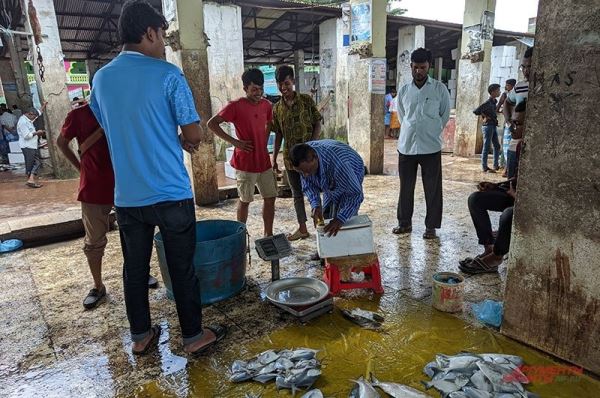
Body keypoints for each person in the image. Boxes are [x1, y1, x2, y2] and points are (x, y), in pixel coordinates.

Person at [90, 0, 226, 355]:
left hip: (128, 198)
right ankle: (194, 337)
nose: (164, 43)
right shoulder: (167, 74)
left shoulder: (100, 79)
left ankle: (140, 337)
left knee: (134, 269)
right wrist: (180, 140)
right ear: (149, 32)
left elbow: (110, 126)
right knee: (181, 268)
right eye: (163, 35)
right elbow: (195, 135)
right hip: (170, 193)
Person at [57, 100, 159, 310]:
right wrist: (81, 169)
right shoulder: (79, 115)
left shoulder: (125, 108)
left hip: (128, 185)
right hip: (94, 188)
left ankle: (140, 273)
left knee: (136, 236)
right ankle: (97, 286)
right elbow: (61, 143)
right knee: (94, 241)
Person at [459, 100, 527, 274]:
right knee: (476, 199)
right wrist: (496, 186)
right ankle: (488, 248)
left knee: (508, 215)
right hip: (515, 194)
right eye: (513, 122)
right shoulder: (520, 146)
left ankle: (496, 257)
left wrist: (516, 196)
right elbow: (517, 178)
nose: (513, 128)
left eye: (518, 124)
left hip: (527, 202)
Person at [208, 68, 276, 237]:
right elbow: (212, 123)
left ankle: (268, 233)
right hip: (245, 163)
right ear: (245, 88)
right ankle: (240, 235)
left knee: (270, 198)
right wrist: (236, 142)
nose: (258, 93)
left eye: (260, 89)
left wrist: (264, 142)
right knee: (245, 200)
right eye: (254, 89)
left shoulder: (267, 105)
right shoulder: (235, 106)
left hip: (264, 162)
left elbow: (269, 124)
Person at [392, 48, 450, 239]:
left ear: (429, 67)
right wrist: (412, 129)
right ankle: (404, 223)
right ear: (411, 66)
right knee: (405, 188)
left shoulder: (439, 89)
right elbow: (402, 116)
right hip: (407, 147)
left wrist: (431, 130)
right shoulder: (404, 90)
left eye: (423, 67)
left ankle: (431, 227)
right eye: (415, 67)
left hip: (431, 147)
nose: (419, 71)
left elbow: (444, 115)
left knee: (432, 189)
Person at [271, 65, 322, 241]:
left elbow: (318, 123)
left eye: (286, 83)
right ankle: (302, 228)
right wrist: (274, 157)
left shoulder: (306, 101)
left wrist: (313, 145)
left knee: (315, 191)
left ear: (293, 81)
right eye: (280, 84)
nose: (283, 88)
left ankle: (321, 227)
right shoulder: (276, 108)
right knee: (297, 194)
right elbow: (278, 134)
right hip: (290, 160)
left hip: (309, 158)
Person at [289, 139, 365, 237]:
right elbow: (309, 185)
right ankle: (328, 248)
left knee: (344, 220)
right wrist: (315, 205)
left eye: (308, 171)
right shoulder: (304, 159)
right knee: (326, 213)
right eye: (301, 172)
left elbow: (355, 195)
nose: (305, 175)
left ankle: (348, 246)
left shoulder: (339, 163)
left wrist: (340, 219)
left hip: (352, 171)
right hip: (331, 173)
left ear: (315, 158)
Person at [503, 47, 533, 179]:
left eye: (530, 67)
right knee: (512, 176)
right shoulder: (520, 86)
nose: (526, 71)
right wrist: (509, 121)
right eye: (523, 67)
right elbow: (507, 102)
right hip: (517, 139)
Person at [473, 83, 501, 173]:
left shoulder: (494, 102)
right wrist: (484, 116)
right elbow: (476, 111)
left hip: (493, 125)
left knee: (497, 146)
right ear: (492, 92)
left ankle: (495, 165)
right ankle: (484, 166)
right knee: (486, 146)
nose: (499, 92)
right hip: (488, 126)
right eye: (497, 90)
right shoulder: (487, 103)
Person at [17, 105, 47, 188]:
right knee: (35, 162)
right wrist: (37, 133)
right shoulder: (23, 122)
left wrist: (44, 106)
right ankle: (30, 179)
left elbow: (38, 113)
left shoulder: (29, 119)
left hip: (32, 145)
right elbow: (27, 136)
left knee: (31, 163)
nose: (35, 117)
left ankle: (31, 179)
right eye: (34, 116)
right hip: (28, 146)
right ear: (29, 114)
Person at [496, 79, 516, 175]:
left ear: (512, 86)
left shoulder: (513, 95)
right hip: (508, 123)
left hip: (513, 123)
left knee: (510, 146)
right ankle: (506, 167)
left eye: (507, 85)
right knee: (506, 146)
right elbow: (499, 107)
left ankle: (507, 168)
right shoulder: (506, 95)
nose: (506, 87)